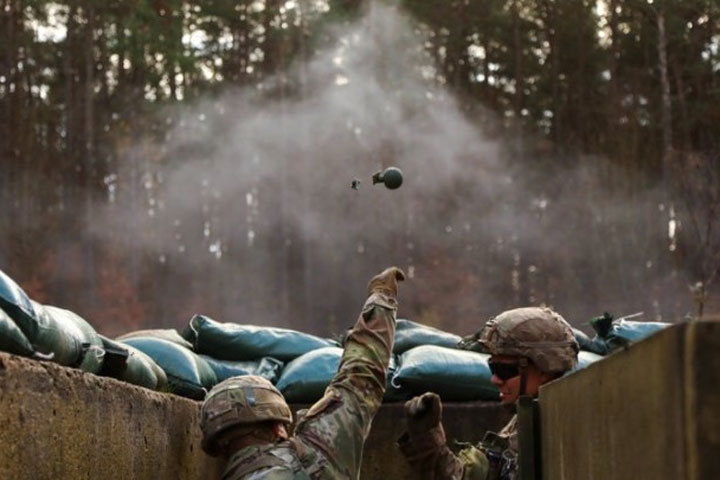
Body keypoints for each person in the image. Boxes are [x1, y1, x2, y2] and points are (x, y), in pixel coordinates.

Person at [200, 266, 406, 479]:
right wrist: (381, 299)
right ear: (277, 428)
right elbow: (360, 379)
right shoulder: (314, 457)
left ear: (221, 447)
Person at [398, 307, 579, 480]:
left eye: (504, 370)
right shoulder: (524, 421)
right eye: (493, 368)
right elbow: (471, 475)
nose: (495, 380)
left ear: (544, 370)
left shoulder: (569, 423)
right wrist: (427, 440)